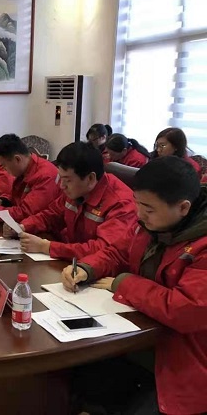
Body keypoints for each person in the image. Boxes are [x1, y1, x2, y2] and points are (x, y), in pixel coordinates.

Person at [61, 156, 207, 415]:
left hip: (181, 358)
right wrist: (87, 268)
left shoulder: (201, 246)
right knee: (75, 380)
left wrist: (124, 283)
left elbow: (185, 308)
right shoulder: (148, 225)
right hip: (137, 337)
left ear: (183, 207)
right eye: (138, 204)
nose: (139, 214)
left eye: (148, 209)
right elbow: (118, 252)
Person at [6, 142, 136, 260]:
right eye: (60, 178)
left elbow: (104, 250)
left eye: (67, 180)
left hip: (95, 270)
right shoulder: (76, 190)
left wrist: (47, 247)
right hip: (71, 260)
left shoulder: (120, 203)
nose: (62, 186)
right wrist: (23, 227)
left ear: (90, 178)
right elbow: (51, 215)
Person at [0, 133, 60, 223]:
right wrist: (4, 201)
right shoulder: (24, 169)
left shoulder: (45, 175)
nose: (4, 169)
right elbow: (17, 198)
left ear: (17, 159)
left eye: (4, 165)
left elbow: (26, 212)